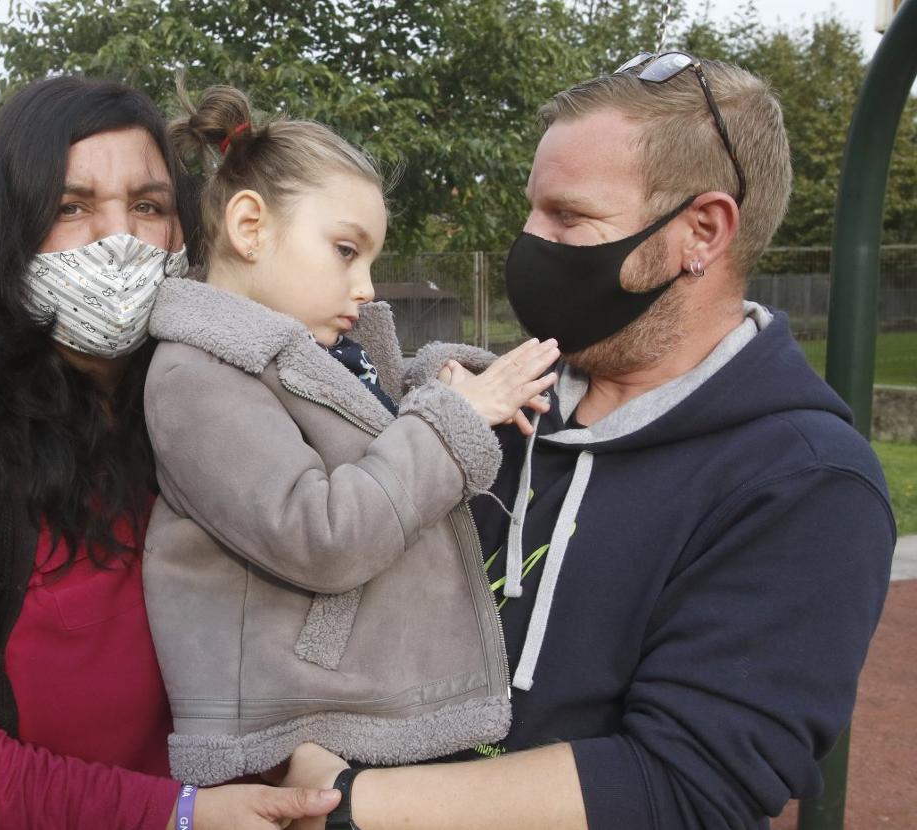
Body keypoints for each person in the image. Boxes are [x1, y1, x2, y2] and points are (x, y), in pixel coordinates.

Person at [277, 54, 895, 830]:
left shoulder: (804, 480)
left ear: (701, 231)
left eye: (568, 217)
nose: (531, 242)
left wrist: (347, 802)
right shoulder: (483, 406)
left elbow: (690, 781)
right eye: (533, 211)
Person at [0, 76, 345, 830]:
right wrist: (175, 817)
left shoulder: (207, 401)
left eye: (149, 206)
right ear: (3, 229)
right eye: (70, 207)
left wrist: (307, 750)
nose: (117, 239)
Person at [140, 83, 560, 786]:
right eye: (345, 251)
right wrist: (453, 418)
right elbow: (321, 535)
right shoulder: (197, 375)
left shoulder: (317, 349)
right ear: (250, 228)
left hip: (360, 704)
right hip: (293, 737)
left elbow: (376, 431)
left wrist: (437, 384)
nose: (367, 286)